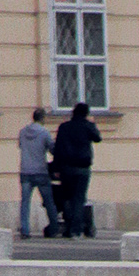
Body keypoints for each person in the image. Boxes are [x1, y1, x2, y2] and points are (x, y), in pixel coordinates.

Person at [50, 98, 100, 237]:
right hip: (83, 167)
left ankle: (68, 227)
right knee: (79, 199)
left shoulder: (64, 127)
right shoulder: (87, 126)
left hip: (66, 168)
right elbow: (97, 138)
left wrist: (56, 168)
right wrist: (92, 124)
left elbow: (58, 149)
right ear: (86, 114)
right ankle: (76, 230)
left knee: (67, 198)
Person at [17, 108, 59, 238]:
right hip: (40, 171)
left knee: (25, 203)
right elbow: (52, 149)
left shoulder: (22, 132)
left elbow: (20, 146)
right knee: (49, 201)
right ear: (43, 118)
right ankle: (54, 227)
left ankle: (25, 230)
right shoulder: (44, 133)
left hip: (25, 170)